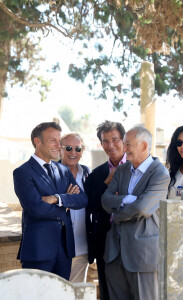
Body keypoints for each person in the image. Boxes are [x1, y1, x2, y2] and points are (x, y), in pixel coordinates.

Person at [101, 126, 170, 300]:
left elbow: (143, 208)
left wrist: (117, 213)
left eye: (128, 144)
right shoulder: (123, 169)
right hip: (115, 253)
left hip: (142, 255)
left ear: (144, 145)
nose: (124, 149)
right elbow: (105, 199)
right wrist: (127, 199)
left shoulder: (160, 174)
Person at [13, 122, 88, 280]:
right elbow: (36, 209)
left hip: (65, 250)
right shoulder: (22, 173)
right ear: (37, 141)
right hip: (38, 250)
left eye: (59, 141)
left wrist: (57, 198)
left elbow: (82, 199)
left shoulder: (63, 170)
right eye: (53, 140)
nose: (58, 145)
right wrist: (67, 205)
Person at [84, 120, 126, 300]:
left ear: (124, 140)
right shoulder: (96, 175)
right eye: (105, 141)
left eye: (115, 139)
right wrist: (107, 184)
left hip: (134, 238)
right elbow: (91, 206)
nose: (111, 145)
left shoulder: (142, 167)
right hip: (105, 239)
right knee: (107, 291)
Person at [60, 133, 90, 282]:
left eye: (78, 149)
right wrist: (65, 199)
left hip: (82, 248)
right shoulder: (51, 174)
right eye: (69, 148)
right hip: (59, 249)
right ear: (60, 149)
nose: (73, 152)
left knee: (78, 294)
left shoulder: (87, 173)